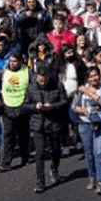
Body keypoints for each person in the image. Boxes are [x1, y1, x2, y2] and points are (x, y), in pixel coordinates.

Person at [24, 64, 68, 193]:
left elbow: (64, 102)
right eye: (40, 80)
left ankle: (54, 169)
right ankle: (40, 181)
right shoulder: (31, 87)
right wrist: (34, 107)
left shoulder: (57, 85)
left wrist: (52, 106)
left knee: (55, 150)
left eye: (45, 80)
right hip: (38, 124)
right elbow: (25, 105)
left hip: (53, 122)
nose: (42, 83)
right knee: (40, 152)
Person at [0, 52, 32, 172]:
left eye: (15, 61)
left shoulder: (27, 71)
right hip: (7, 107)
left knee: (23, 135)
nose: (13, 63)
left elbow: (33, 86)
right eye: (11, 61)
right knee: (8, 135)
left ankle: (25, 157)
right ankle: (5, 162)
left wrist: (28, 102)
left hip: (22, 108)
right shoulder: (3, 71)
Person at [72, 66, 101, 195]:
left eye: (96, 75)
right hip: (85, 124)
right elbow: (74, 107)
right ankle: (91, 176)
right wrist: (83, 110)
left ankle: (100, 181)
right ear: (87, 78)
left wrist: (90, 93)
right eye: (91, 76)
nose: (94, 78)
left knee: (99, 152)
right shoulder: (80, 92)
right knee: (89, 153)